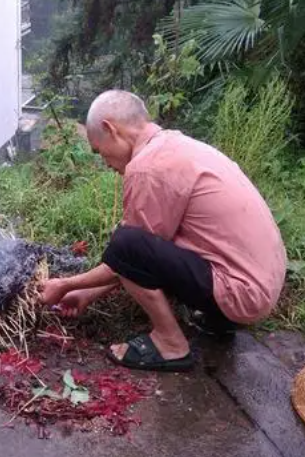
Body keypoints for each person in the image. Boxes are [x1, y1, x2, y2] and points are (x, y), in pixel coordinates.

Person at [39, 90, 287, 372]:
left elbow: (130, 254)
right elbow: (141, 258)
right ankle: (218, 319)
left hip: (242, 293)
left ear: (110, 129)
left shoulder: (148, 168)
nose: (105, 163)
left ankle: (171, 345)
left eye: (99, 151)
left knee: (126, 241)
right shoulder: (174, 146)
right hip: (261, 283)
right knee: (133, 240)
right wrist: (88, 294)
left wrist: (65, 285)